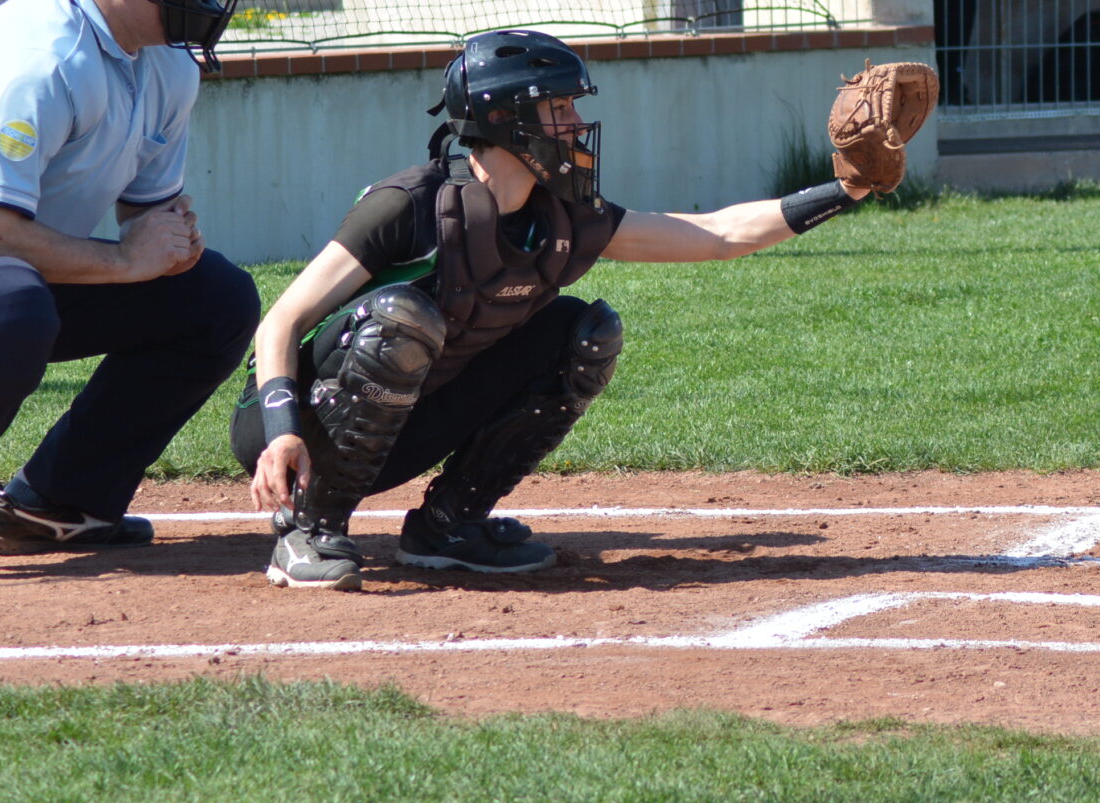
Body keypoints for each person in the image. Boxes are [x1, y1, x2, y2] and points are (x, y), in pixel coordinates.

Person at [237, 31, 937, 589]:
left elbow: (718, 235)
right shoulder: (411, 206)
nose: (576, 124)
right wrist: (280, 429)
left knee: (583, 332)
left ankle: (450, 525)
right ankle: (307, 528)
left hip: (408, 423)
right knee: (402, 319)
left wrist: (846, 190)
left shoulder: (563, 216)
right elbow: (282, 321)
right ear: (509, 120)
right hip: (300, 434)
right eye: (559, 110)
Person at [0, 0, 261, 583]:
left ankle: (54, 505)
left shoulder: (167, 62)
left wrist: (170, 244)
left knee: (214, 299)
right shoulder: (39, 60)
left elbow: (149, 214)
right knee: (4, 300)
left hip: (4, 262)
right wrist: (123, 263)